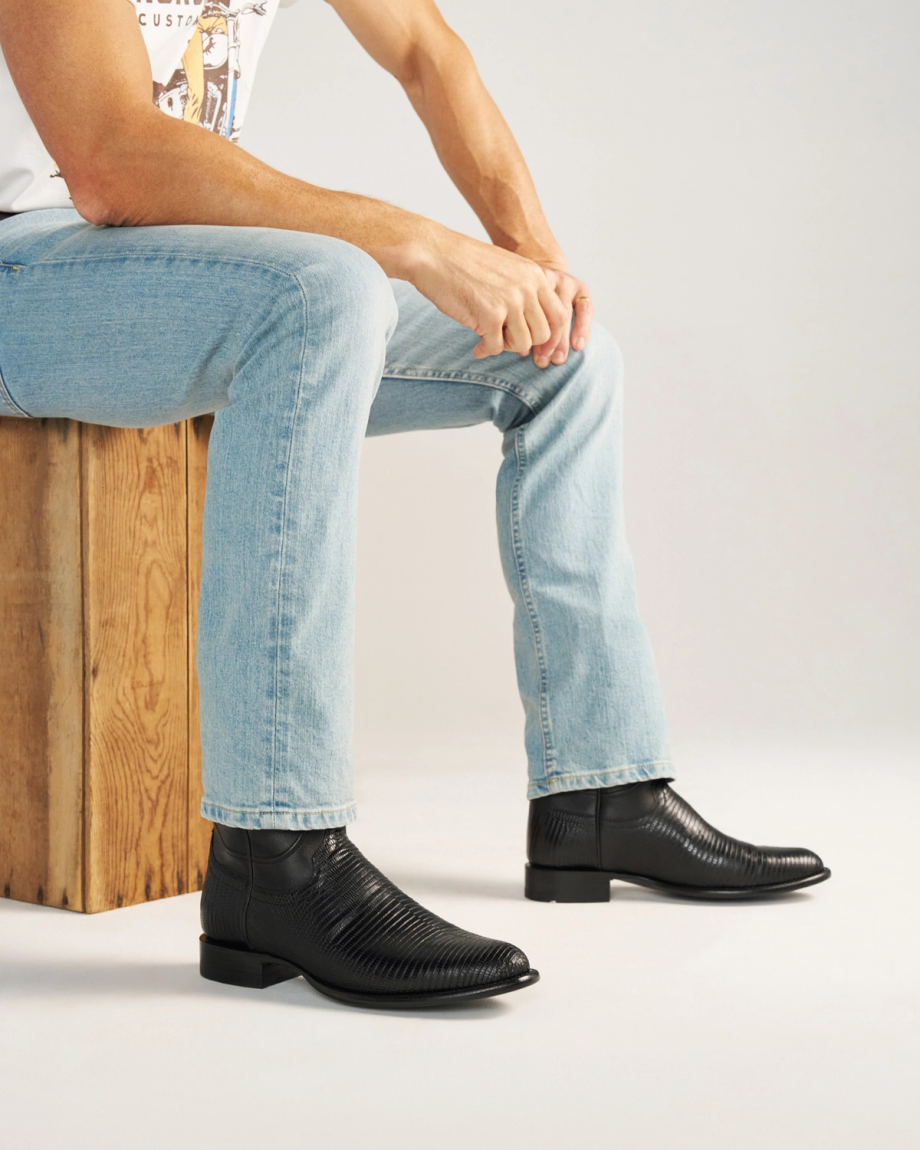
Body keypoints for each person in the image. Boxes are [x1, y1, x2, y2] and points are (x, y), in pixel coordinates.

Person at [0, 0, 829, 1010]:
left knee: (563, 363)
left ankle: (600, 791)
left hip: (177, 261)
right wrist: (422, 244)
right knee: (325, 290)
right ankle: (275, 853)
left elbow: (427, 52)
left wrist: (534, 270)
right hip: (26, 266)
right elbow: (110, 159)